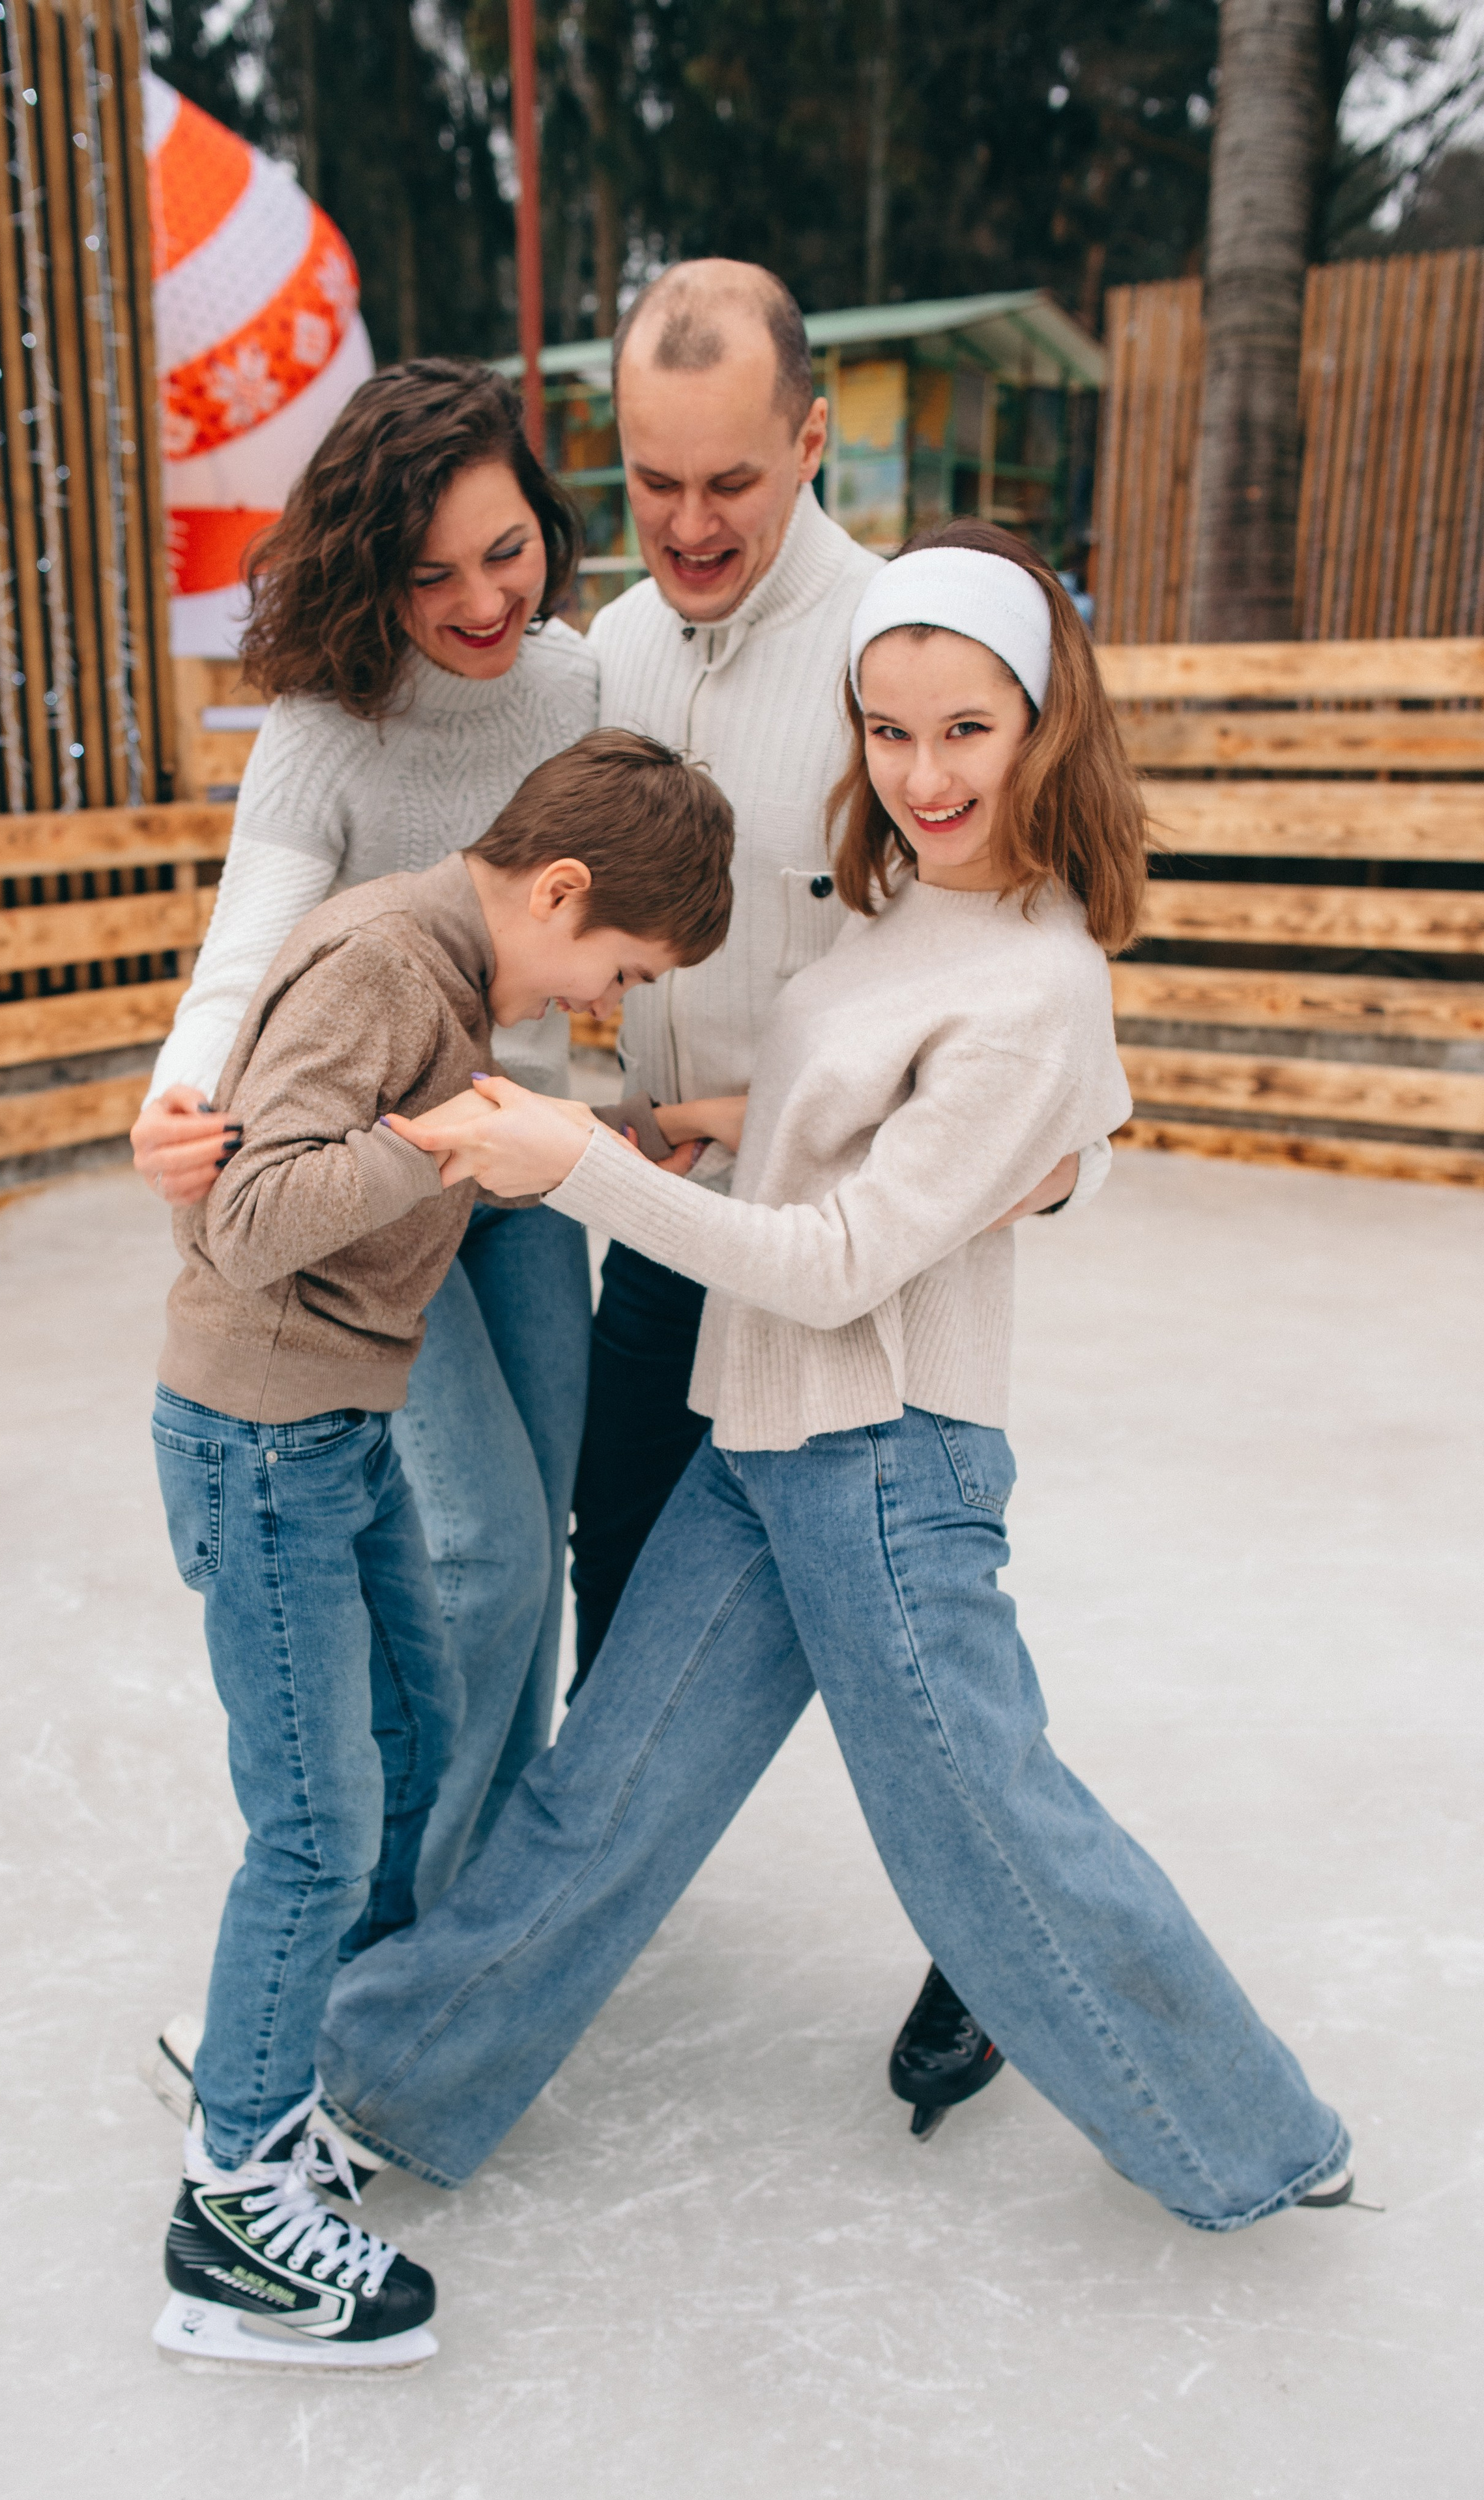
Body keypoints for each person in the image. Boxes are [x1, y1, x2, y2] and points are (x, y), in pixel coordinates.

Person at [313, 529, 1354, 2235]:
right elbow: (851, 1115)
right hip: (764, 1435)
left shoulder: (1035, 977)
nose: (924, 770)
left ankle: (1257, 2139)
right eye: (890, 728)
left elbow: (844, 1254)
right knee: (605, 1799)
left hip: (883, 1465)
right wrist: (740, 1121)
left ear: (1040, 721)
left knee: (989, 1836)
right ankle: (371, 2088)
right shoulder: (892, 907)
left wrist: (577, 1157)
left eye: (966, 728)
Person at [576, 259, 1101, 2131]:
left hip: (872, 1263)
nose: (694, 524)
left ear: (810, 436)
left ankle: (993, 1947)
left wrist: (1045, 1160)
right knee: (616, 1568)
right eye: (653, 480)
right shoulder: (606, 656)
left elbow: (1042, 958)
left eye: (732, 478)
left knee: (920, 1642)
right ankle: (574, 1917)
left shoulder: (909, 660)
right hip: (661, 1228)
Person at [149, 731, 736, 2368]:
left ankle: (302, 2072)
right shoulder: (377, 962)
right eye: (611, 967)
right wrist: (432, 1139)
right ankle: (229, 2206)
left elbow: (441, 1135)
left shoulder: (453, 976)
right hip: (261, 1441)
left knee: (408, 1744)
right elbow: (250, 1214)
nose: (590, 1000)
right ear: (555, 890)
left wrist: (608, 1129)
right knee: (316, 1831)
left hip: (329, 1434)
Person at [132, 361, 602, 1904]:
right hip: (376, 1189)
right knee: (478, 1551)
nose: (481, 599)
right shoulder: (328, 728)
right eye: (431, 573)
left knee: (537, 1547)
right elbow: (243, 952)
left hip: (524, 1173)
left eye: (506, 550)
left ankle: (487, 1885)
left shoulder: (579, 687)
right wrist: (180, 1101)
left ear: (542, 519)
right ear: (367, 568)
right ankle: (395, 1910)